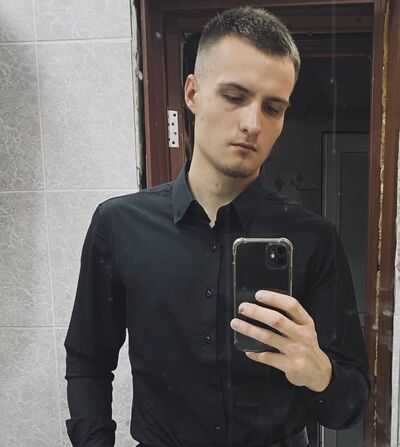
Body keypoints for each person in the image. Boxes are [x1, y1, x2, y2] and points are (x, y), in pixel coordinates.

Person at [64, 7, 370, 447]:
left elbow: (349, 406)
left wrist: (318, 372)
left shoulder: (313, 239)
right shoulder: (118, 226)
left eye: (273, 107)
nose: (252, 123)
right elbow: (88, 362)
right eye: (234, 96)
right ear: (192, 93)